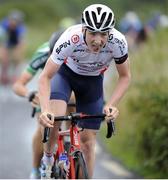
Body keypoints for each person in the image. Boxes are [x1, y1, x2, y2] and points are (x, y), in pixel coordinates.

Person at [38, 4, 131, 179]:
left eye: (104, 34)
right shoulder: (70, 38)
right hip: (65, 76)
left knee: (88, 143)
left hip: (93, 82)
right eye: (93, 33)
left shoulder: (118, 42)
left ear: (110, 32)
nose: (98, 40)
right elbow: (45, 77)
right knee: (55, 119)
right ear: (83, 29)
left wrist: (111, 105)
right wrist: (45, 109)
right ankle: (48, 161)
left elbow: (125, 76)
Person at [12, 30, 76, 179]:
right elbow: (18, 85)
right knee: (42, 129)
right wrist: (30, 94)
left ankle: (68, 146)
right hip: (46, 91)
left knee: (74, 106)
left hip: (69, 89)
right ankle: (35, 169)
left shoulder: (77, 51)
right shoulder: (42, 53)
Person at [0, 9, 26, 85]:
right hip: (6, 41)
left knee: (17, 57)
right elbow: (2, 41)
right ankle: (4, 74)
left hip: (16, 42)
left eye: (16, 22)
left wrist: (17, 53)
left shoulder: (21, 28)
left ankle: (15, 74)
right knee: (4, 58)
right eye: (12, 21)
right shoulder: (4, 24)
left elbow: (21, 42)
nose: (13, 24)